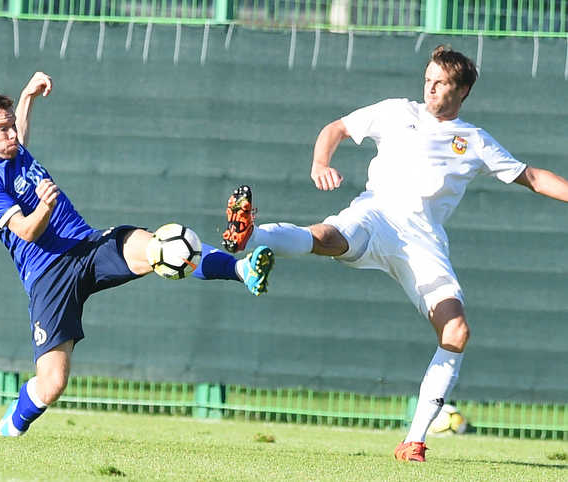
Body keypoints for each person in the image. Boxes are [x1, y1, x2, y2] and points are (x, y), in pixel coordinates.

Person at [221, 45, 568, 462]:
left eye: (440, 83)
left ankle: (414, 441)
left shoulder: (474, 141)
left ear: (462, 91)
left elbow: (533, 177)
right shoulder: (397, 111)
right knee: (328, 236)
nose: (430, 88)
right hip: (376, 213)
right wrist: (320, 162)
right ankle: (251, 235)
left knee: (456, 331)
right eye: (428, 79)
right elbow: (336, 128)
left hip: (423, 242)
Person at [0, 72, 275, 437]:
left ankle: (242, 270)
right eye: (3, 129)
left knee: (165, 248)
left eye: (12, 125)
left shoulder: (13, 149)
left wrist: (27, 96)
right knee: (52, 384)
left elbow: (22, 134)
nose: (13, 134)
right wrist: (45, 206)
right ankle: (8, 429)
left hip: (88, 246)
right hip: (48, 273)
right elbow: (27, 230)